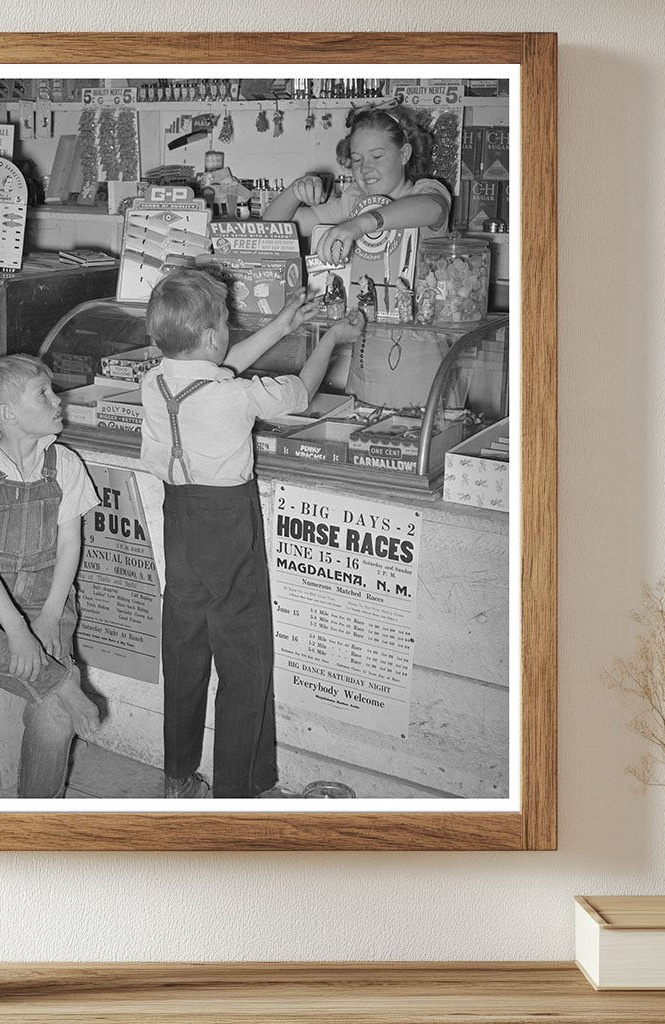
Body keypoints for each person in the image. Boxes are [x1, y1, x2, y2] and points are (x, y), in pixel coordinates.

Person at [139, 268, 363, 799]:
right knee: (244, 661)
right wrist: (331, 338)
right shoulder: (236, 396)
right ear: (212, 336)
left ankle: (178, 779)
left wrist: (283, 325)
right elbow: (301, 393)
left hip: (179, 523)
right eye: (225, 324)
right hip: (228, 527)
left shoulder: (155, 381)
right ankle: (237, 793)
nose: (229, 333)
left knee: (185, 652)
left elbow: (215, 367)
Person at [0, 354, 101, 798]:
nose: (57, 399)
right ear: (8, 414)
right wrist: (17, 632)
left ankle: (34, 818)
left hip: (48, 600)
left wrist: (47, 617)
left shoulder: (65, 464)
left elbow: (69, 546)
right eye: (43, 393)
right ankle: (63, 682)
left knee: (56, 719)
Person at [262, 103, 452, 265]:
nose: (365, 168)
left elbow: (434, 209)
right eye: (357, 159)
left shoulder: (425, 191)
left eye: (377, 156)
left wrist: (361, 225)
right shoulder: (353, 201)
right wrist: (295, 191)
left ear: (404, 154)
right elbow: (272, 228)